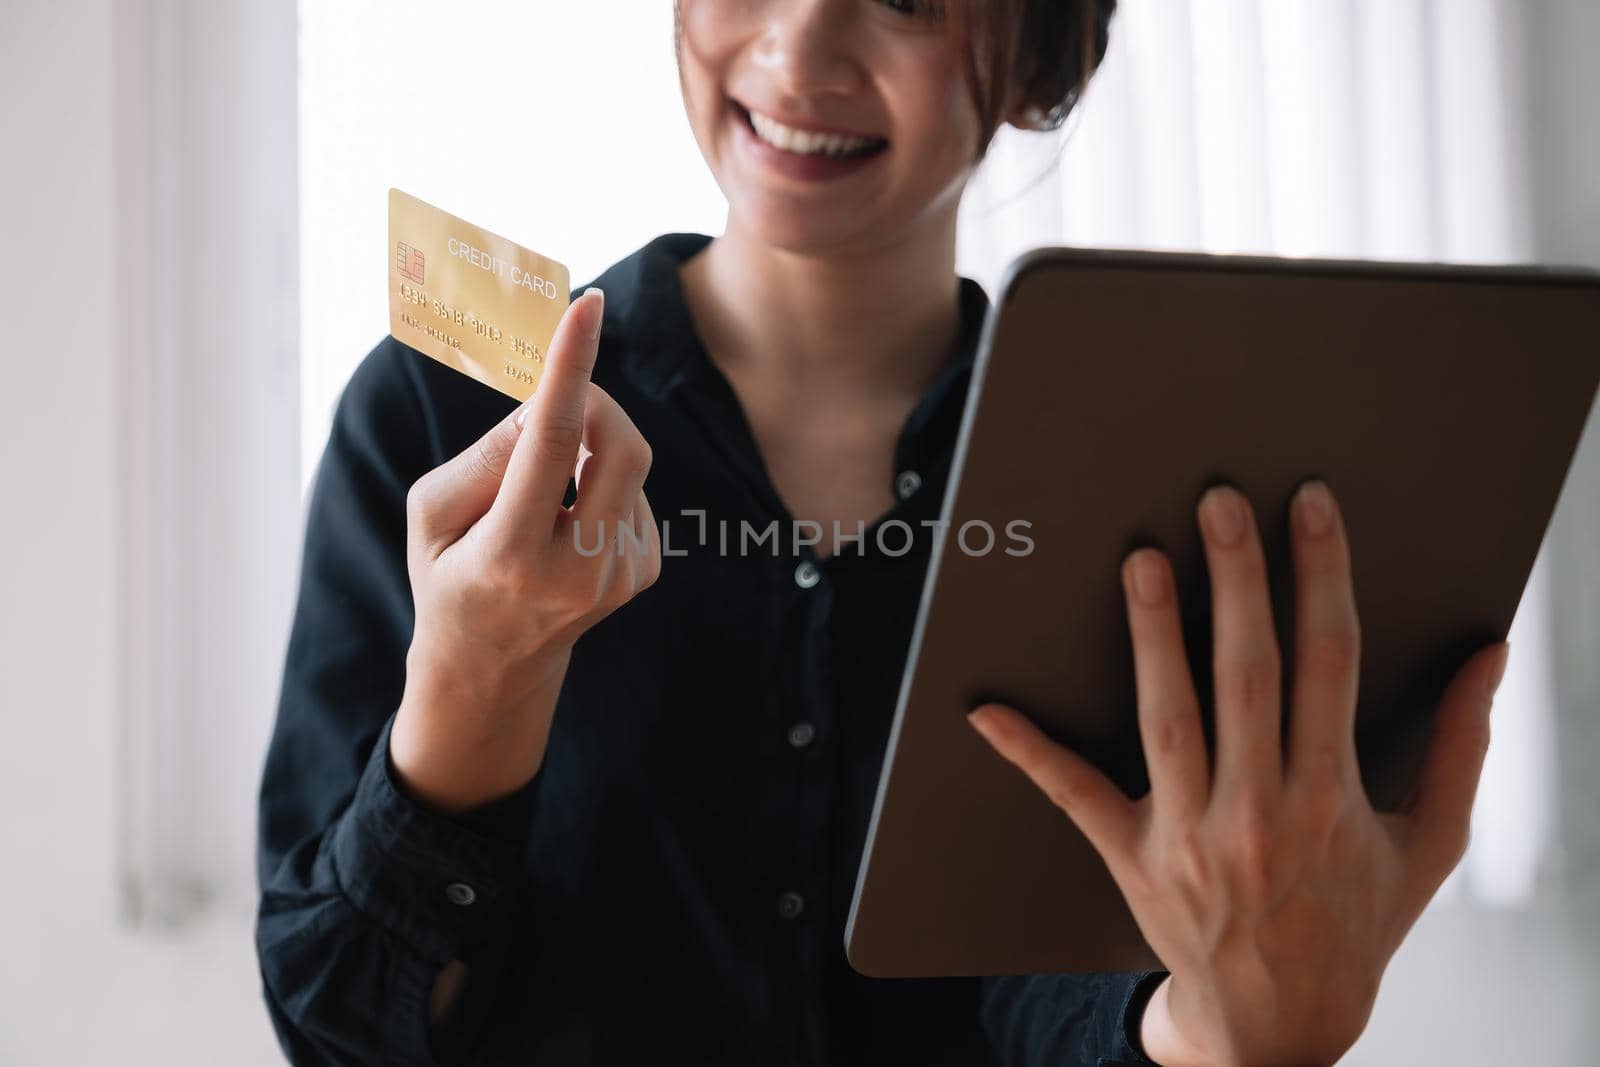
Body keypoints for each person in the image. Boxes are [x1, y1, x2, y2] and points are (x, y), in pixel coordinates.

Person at [255, 1, 1511, 1064]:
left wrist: (1217, 1026)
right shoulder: (447, 418)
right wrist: (475, 683)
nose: (799, 57)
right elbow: (341, 1021)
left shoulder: (1146, 488)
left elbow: (1062, 986)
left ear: (1041, 58)